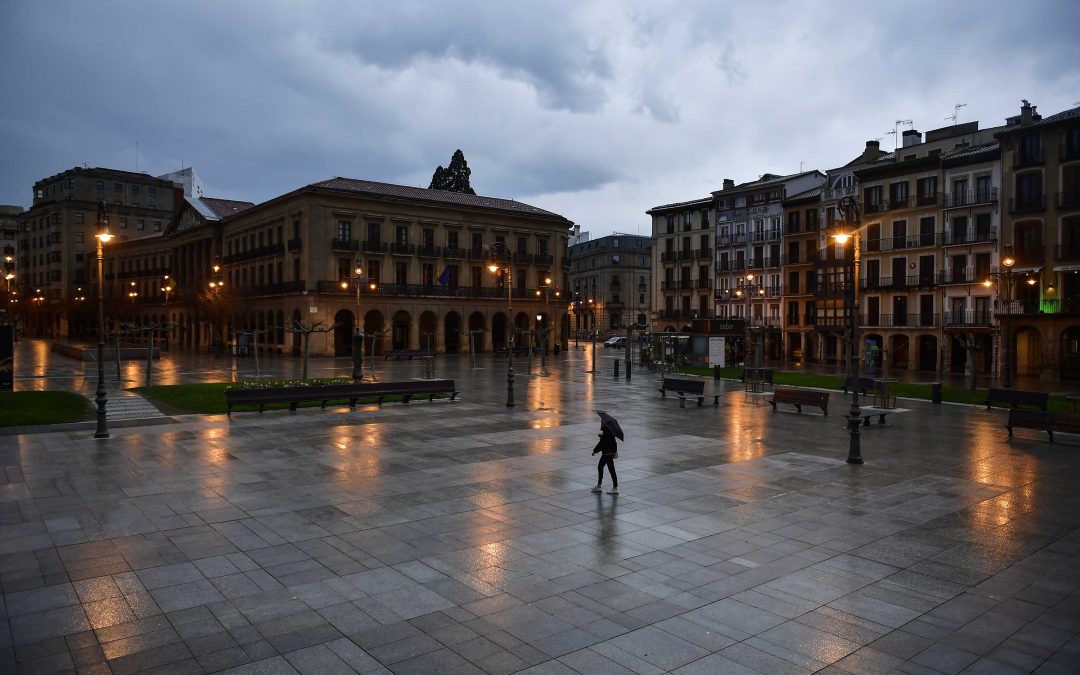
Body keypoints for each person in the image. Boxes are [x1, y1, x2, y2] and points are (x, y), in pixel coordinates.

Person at [591, 420, 619, 495]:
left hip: (607, 453)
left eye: (602, 422)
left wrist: (594, 451)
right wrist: (601, 436)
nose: (601, 424)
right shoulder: (607, 430)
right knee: (602, 467)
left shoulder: (606, 432)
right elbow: (609, 441)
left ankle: (614, 488)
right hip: (608, 453)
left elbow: (601, 443)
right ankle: (600, 485)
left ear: (605, 424)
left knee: (609, 469)